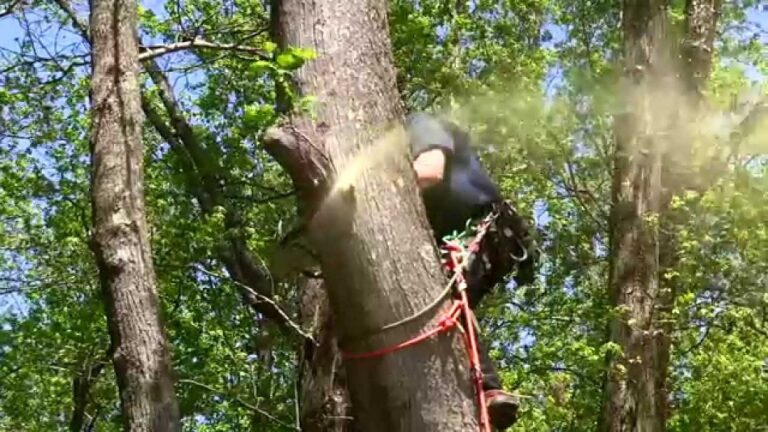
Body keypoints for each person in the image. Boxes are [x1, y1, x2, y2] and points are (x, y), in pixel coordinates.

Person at [406, 112, 538, 430]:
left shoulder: (418, 124)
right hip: (477, 236)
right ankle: (480, 387)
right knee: (446, 308)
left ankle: (488, 388)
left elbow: (430, 171)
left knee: (442, 298)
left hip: (482, 228)